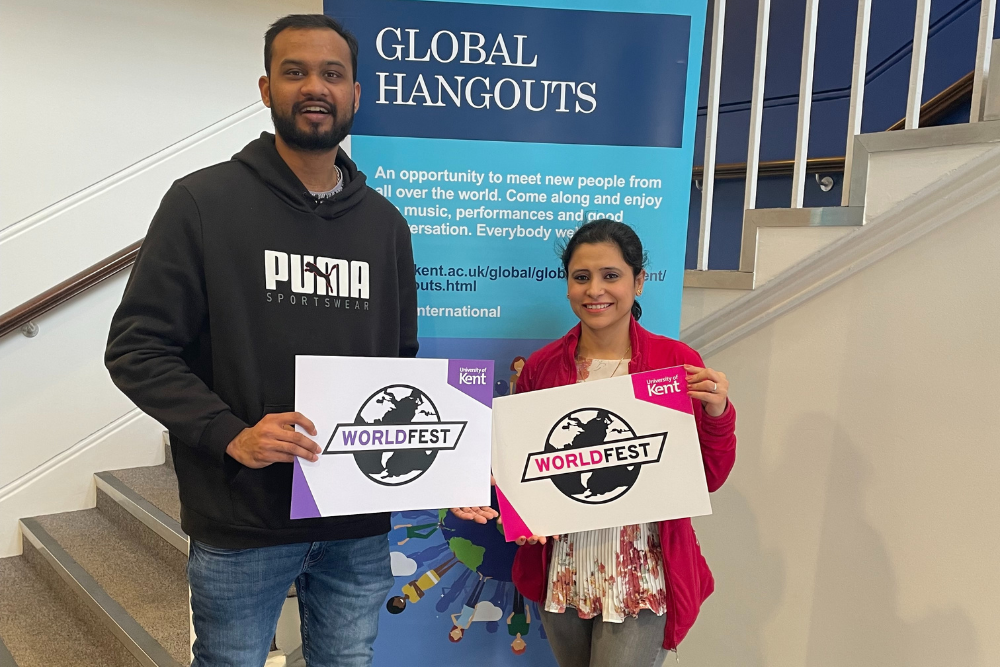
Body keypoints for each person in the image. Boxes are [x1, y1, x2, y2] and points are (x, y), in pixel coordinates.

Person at [104, 14, 417, 667]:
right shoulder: (201, 203)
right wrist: (230, 433)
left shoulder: (386, 226)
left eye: (332, 74)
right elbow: (137, 347)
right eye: (294, 71)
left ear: (355, 94)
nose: (314, 87)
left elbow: (400, 363)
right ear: (265, 87)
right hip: (242, 521)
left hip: (355, 523)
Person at [508, 220, 737, 667]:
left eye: (611, 275)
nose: (596, 290)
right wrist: (522, 516)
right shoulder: (540, 368)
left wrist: (717, 415)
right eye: (581, 277)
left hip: (641, 572)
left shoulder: (676, 363)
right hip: (564, 571)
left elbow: (708, 477)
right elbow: (524, 472)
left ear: (639, 281)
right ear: (569, 285)